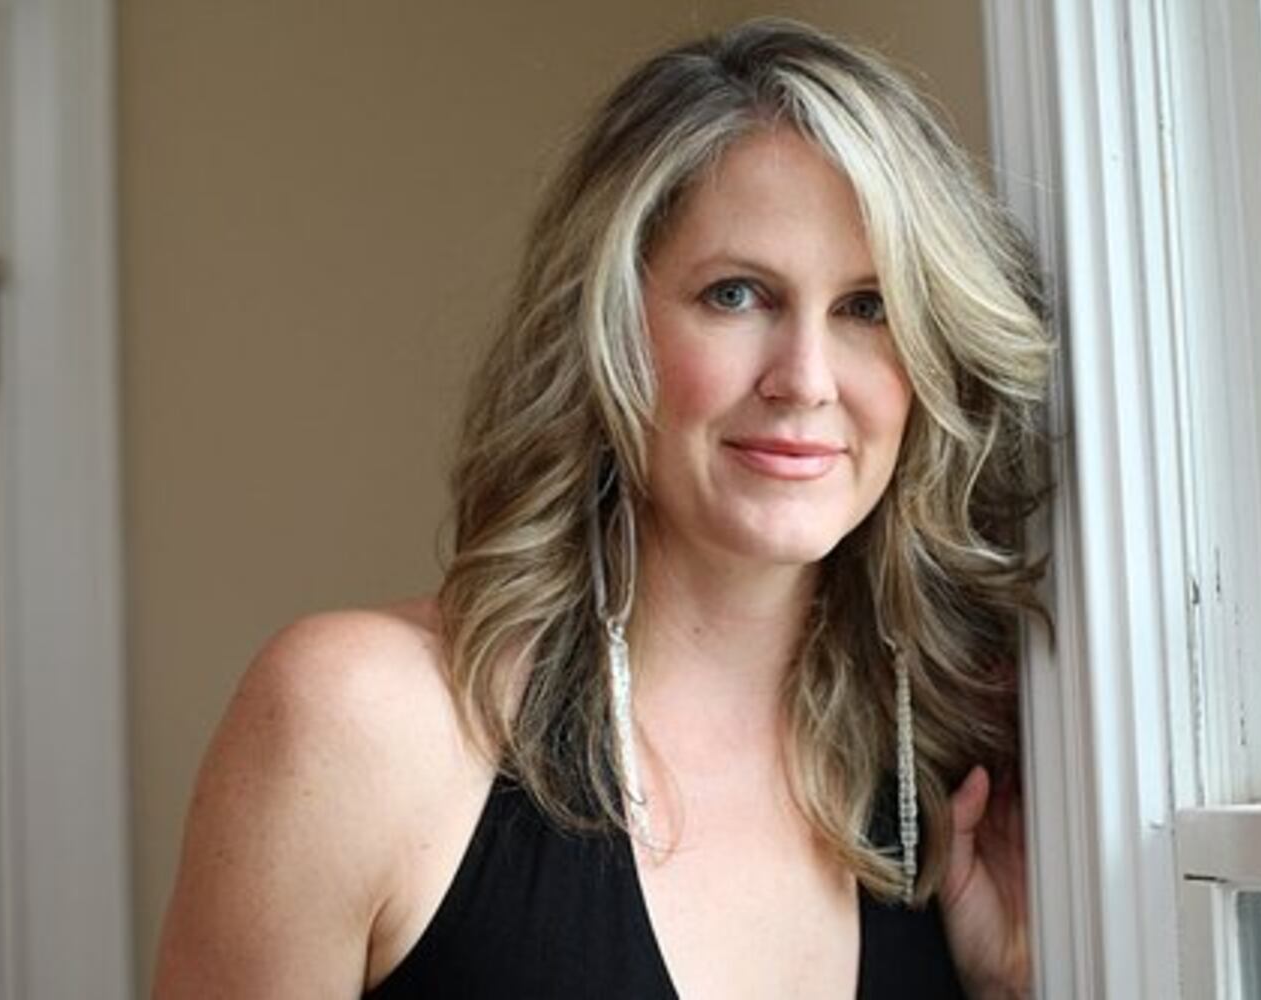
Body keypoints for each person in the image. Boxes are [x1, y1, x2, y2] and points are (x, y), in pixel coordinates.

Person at [153, 18, 1050, 1000]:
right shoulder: (361, 722)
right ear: (611, 326)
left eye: (867, 308)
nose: (804, 378)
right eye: (737, 294)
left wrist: (1003, 985)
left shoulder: (954, 787)